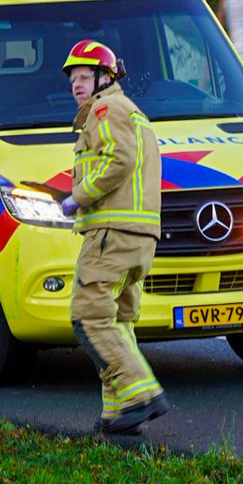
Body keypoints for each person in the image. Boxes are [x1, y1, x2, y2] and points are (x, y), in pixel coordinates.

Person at [60, 40, 171, 435]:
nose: (77, 85)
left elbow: (118, 158)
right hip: (138, 238)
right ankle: (117, 412)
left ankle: (142, 395)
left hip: (113, 234)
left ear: (106, 78)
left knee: (88, 315)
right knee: (118, 322)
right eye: (73, 78)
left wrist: (77, 197)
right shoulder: (131, 112)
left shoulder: (106, 109)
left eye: (85, 76)